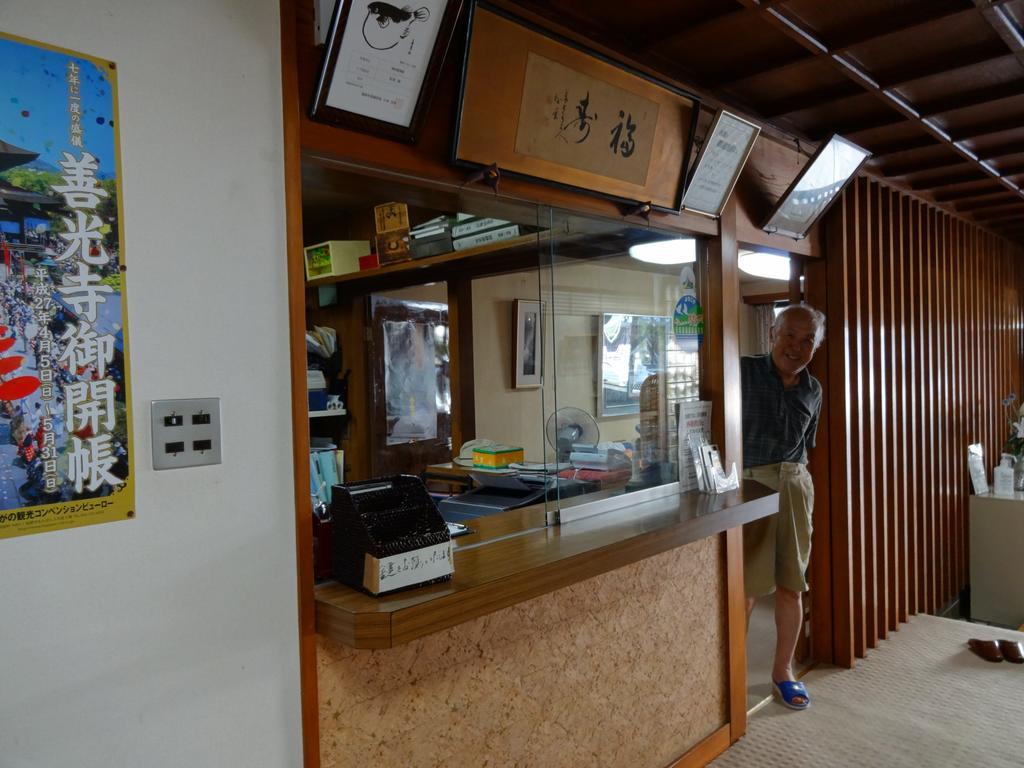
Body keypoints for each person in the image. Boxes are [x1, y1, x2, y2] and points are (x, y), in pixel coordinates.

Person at [741, 303, 824, 711]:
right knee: (746, 588)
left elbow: (807, 448)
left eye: (807, 339)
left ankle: (783, 671)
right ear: (773, 333)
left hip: (794, 482)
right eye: (789, 334)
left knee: (792, 585)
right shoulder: (741, 370)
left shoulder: (814, 389)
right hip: (749, 482)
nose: (797, 345)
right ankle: (730, 673)